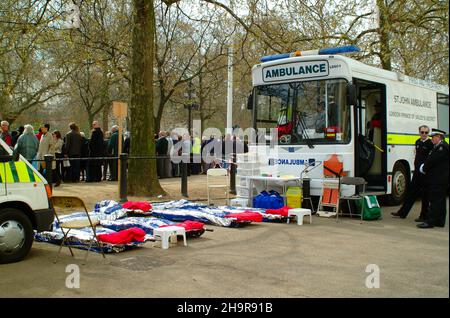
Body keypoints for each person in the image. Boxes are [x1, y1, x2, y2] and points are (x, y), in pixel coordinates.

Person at [392, 125, 433, 220]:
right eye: (422, 132)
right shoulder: (417, 142)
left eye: (426, 132)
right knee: (411, 193)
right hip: (417, 172)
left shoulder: (430, 144)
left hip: (425, 173)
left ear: (428, 133)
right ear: (419, 132)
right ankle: (402, 213)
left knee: (425, 195)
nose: (424, 134)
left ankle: (424, 215)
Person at [416, 129, 449, 229]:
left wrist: (424, 168)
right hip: (441, 178)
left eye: (433, 137)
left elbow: (433, 160)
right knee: (440, 201)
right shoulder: (440, 146)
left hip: (439, 178)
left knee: (434, 200)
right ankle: (439, 221)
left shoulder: (441, 147)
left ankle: (430, 221)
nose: (432, 139)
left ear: (439, 137)